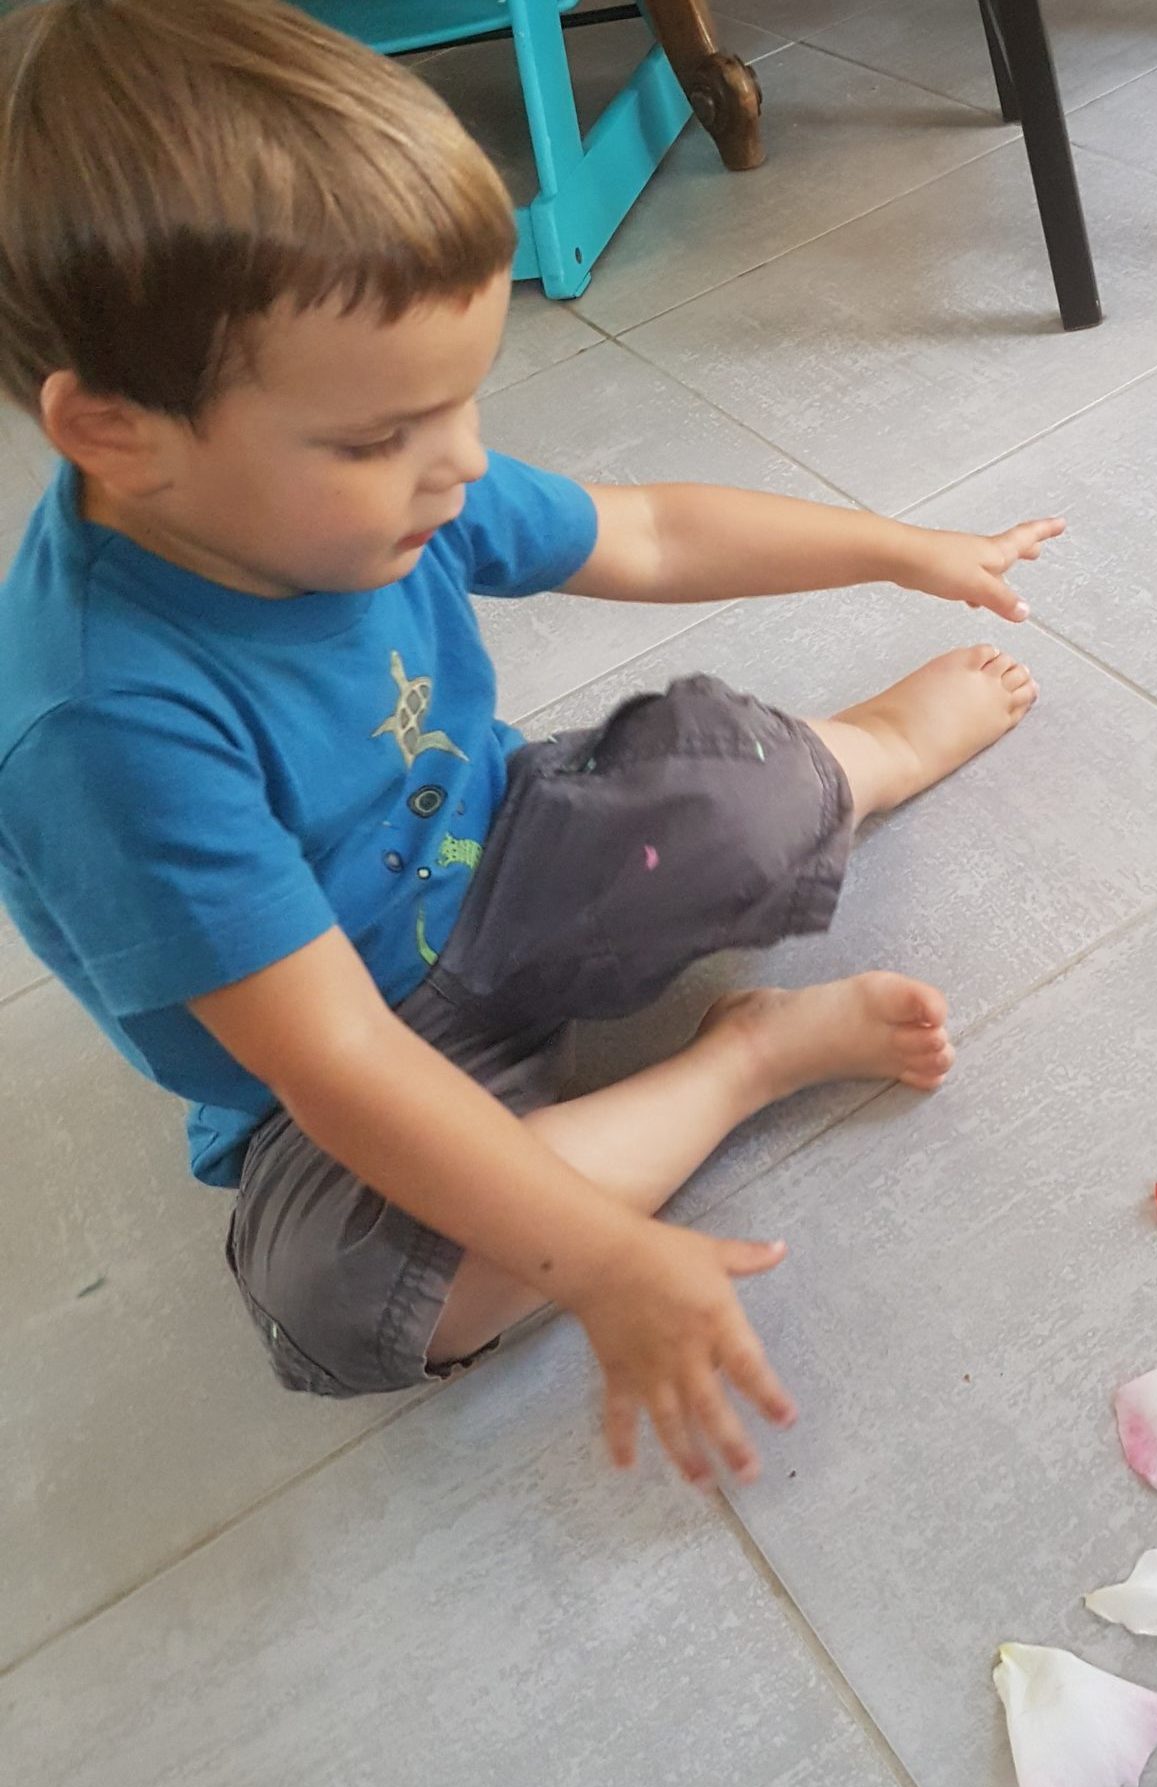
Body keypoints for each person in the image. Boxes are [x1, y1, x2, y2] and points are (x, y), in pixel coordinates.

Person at [0, 0, 1062, 1488]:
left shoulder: (404, 478)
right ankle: (737, 1065)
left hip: (500, 856)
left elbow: (652, 530)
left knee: (746, 797)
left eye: (463, 402)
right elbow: (341, 1060)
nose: (460, 465)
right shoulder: (104, 732)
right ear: (117, 435)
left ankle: (867, 754)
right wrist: (610, 1262)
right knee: (345, 1301)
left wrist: (897, 548)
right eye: (379, 437)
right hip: (336, 1049)